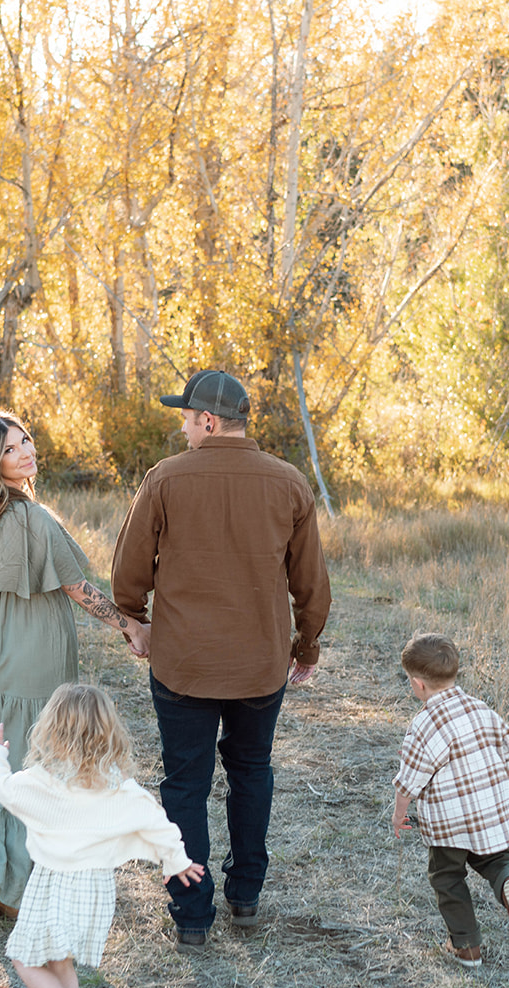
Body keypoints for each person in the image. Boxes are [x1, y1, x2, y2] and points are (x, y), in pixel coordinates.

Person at [110, 370, 331, 948]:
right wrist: (305, 646)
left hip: (183, 662)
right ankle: (247, 896)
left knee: (185, 783)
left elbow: (127, 575)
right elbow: (311, 585)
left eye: (186, 418)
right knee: (251, 770)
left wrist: (136, 621)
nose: (183, 429)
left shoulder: (165, 479)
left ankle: (191, 916)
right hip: (260, 664)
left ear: (208, 420)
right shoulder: (289, 484)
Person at [0, 410, 149, 928]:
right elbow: (78, 589)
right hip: (33, 651)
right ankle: (5, 891)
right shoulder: (30, 517)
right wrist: (130, 626)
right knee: (35, 768)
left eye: (25, 439)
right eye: (10, 449)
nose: (26, 451)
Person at [0, 683, 205, 988]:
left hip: (53, 884)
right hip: (95, 890)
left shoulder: (40, 781)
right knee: (59, 960)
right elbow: (158, 823)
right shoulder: (120, 788)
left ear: (50, 730)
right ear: (109, 733)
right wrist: (176, 860)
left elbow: (1, 788)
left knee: (23, 958)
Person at [392, 632, 509, 968]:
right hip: (491, 811)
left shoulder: (423, 725)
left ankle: (467, 947)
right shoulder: (480, 708)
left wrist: (399, 814)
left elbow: (408, 783)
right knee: (496, 860)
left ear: (418, 685)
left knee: (447, 877)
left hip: (449, 822)